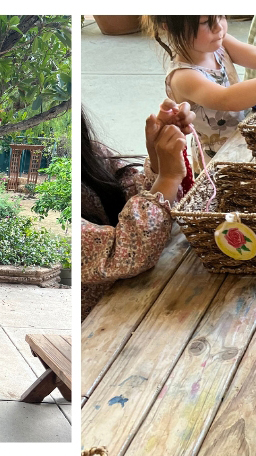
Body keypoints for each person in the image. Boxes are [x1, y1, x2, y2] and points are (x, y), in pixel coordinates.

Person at [143, 15, 256, 154]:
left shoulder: (219, 43)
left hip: (242, 142)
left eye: (221, 15)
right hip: (217, 160)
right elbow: (228, 99)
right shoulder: (183, 76)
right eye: (205, 22)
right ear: (169, 27)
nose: (218, 27)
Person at [81, 102, 195, 319]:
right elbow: (126, 252)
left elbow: (129, 194)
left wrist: (158, 160)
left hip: (140, 297)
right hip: (103, 325)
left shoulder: (90, 152)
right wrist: (168, 177)